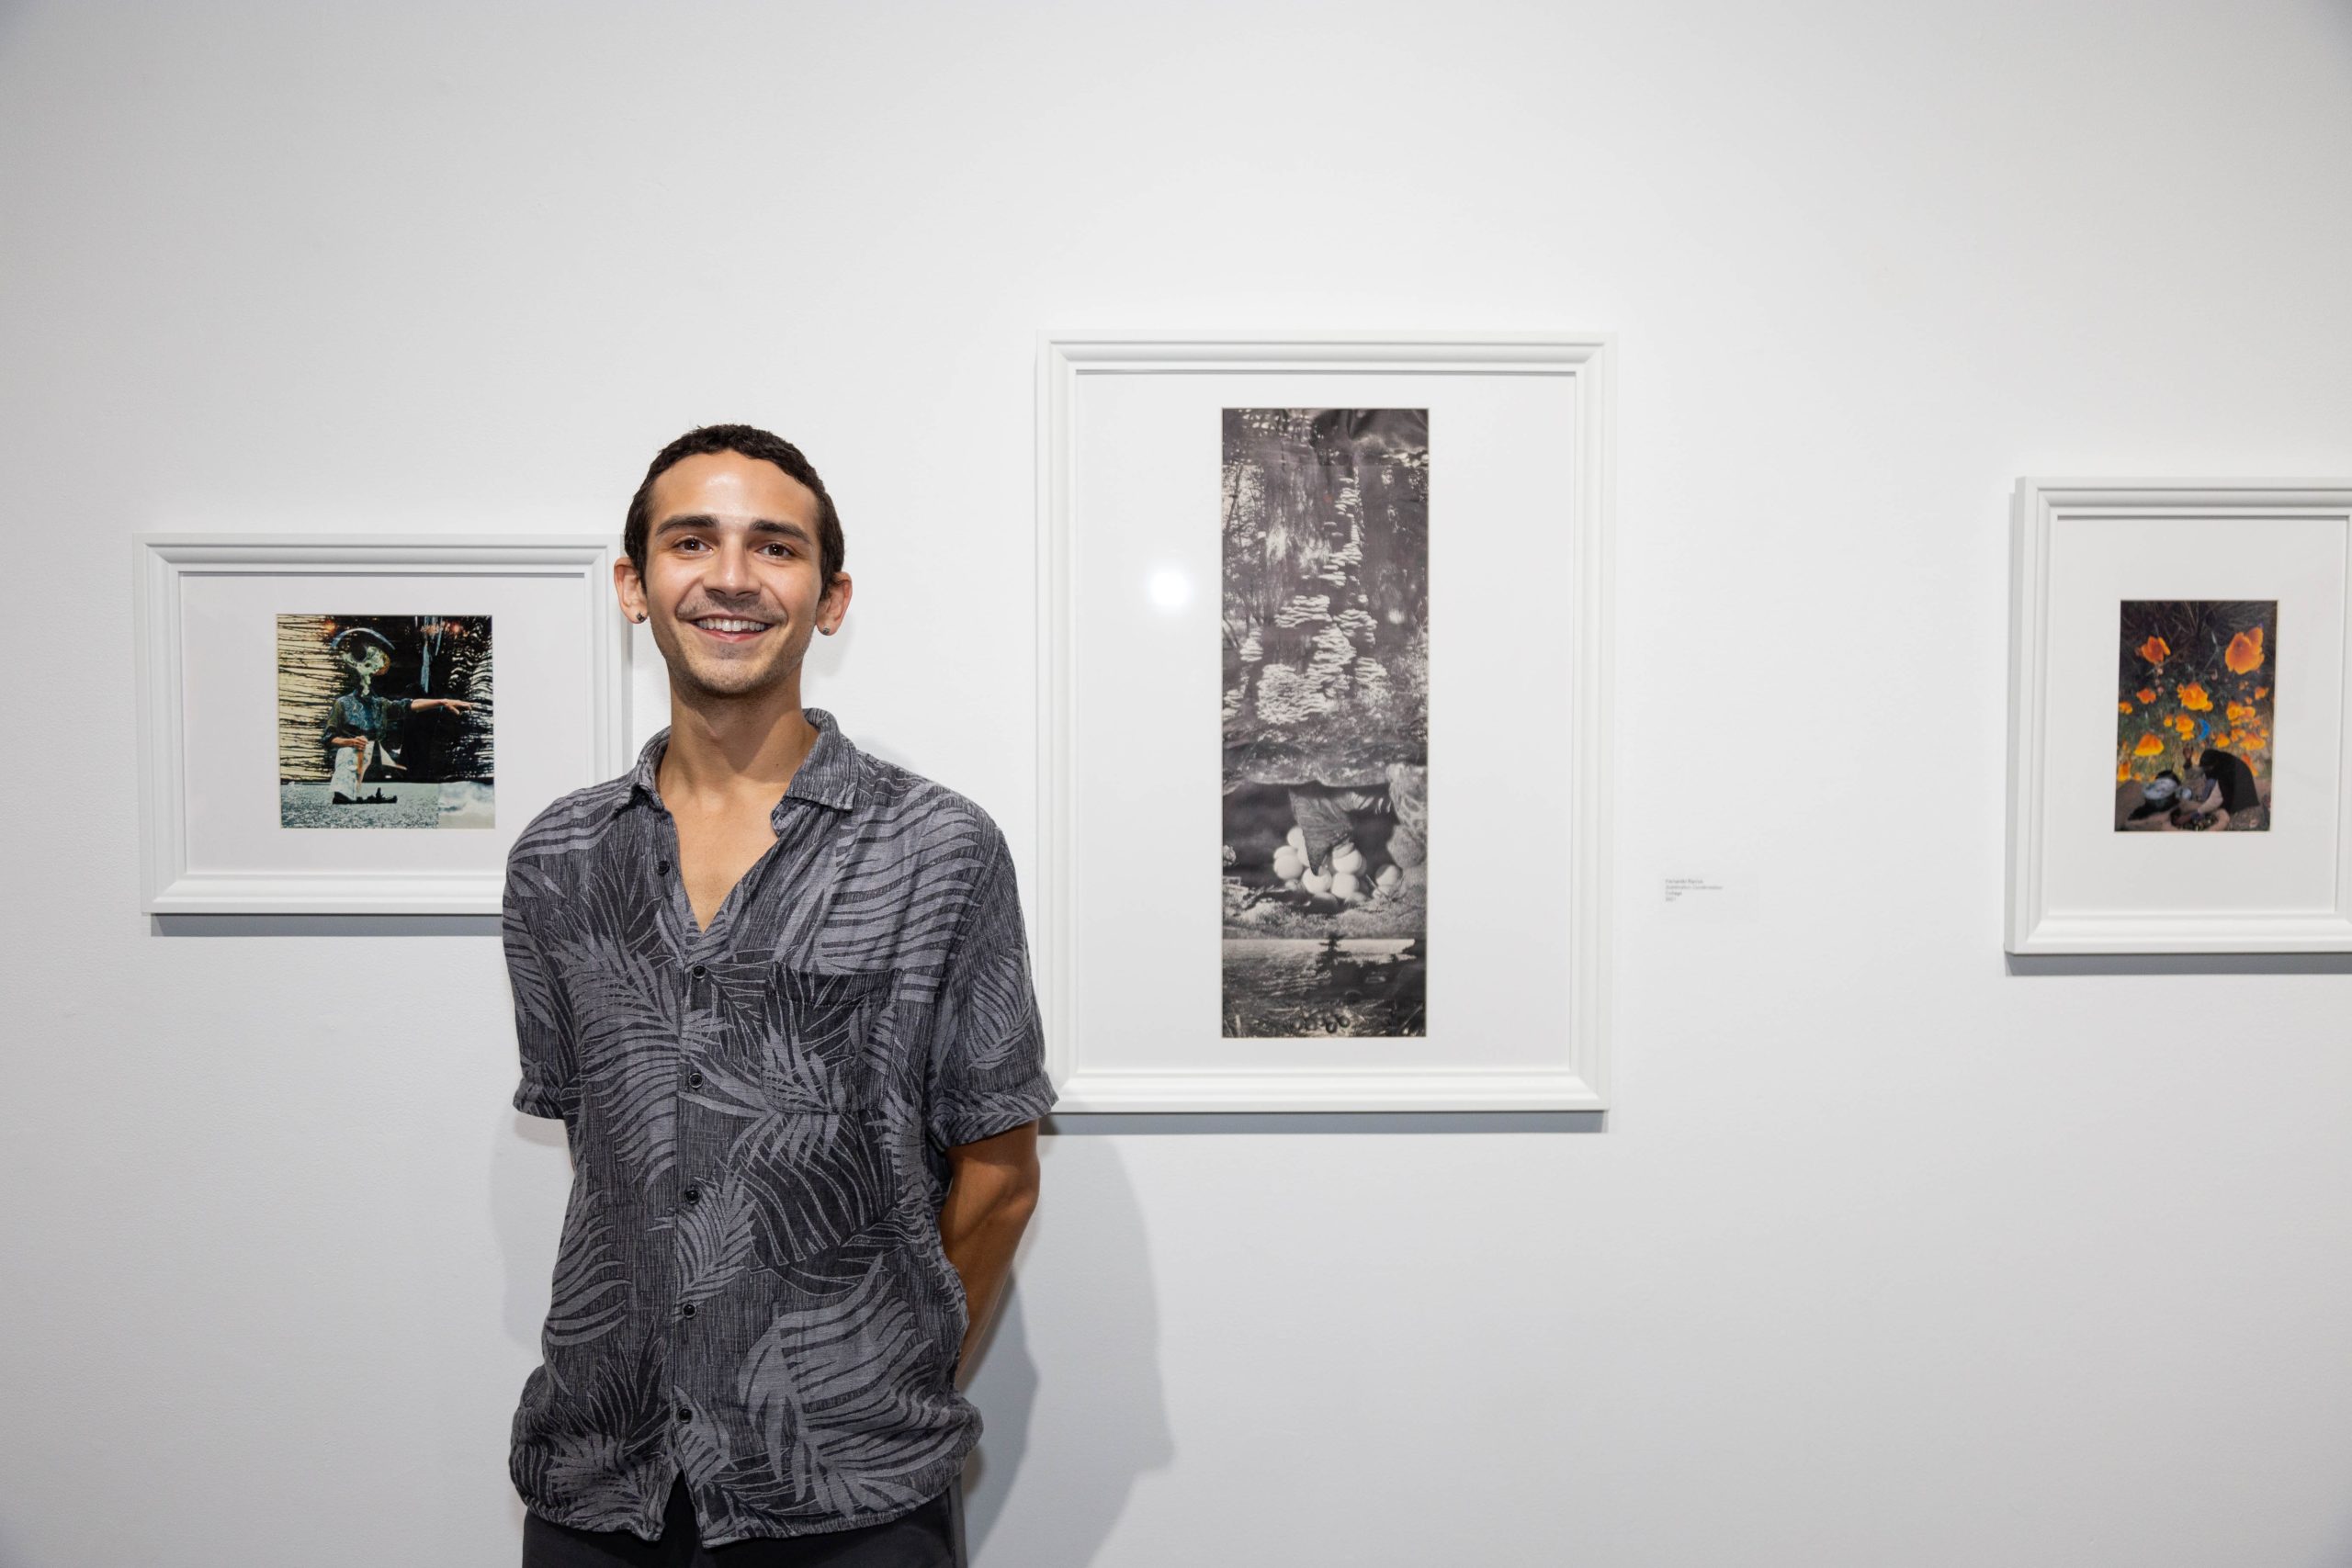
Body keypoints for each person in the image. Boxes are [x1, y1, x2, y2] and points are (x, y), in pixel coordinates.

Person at [502, 424, 1054, 1566]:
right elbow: (609, 1155)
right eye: (690, 541)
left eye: (776, 548)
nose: (733, 578)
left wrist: (861, 1381)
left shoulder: (937, 849)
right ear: (633, 584)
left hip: (849, 1500)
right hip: (601, 1483)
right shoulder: (557, 857)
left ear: (830, 596)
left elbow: (996, 1181)